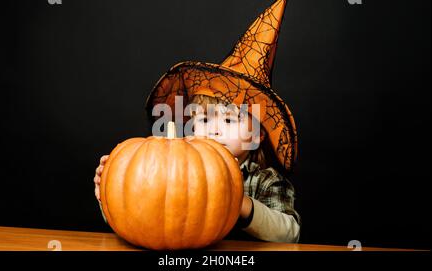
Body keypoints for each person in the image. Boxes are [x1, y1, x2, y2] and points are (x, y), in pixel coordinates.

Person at [94, 0, 301, 242]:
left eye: (229, 121)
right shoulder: (176, 170)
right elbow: (143, 217)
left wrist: (241, 204)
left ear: (257, 134)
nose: (213, 130)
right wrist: (112, 192)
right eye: (203, 119)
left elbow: (290, 235)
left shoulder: (265, 180)